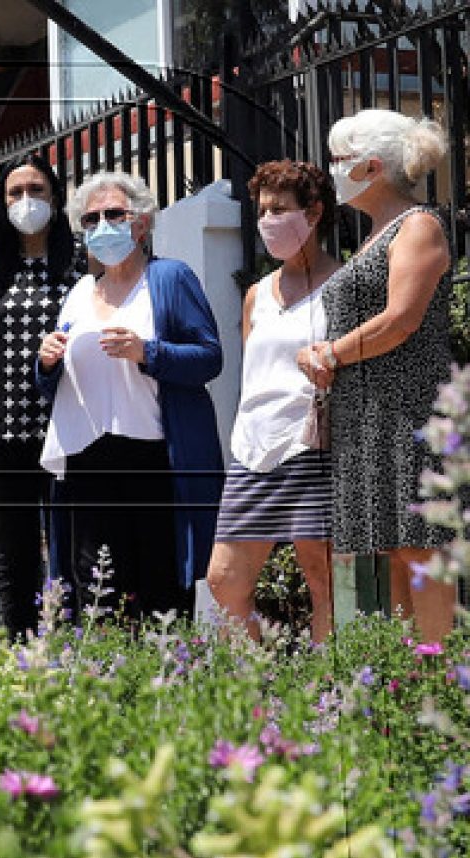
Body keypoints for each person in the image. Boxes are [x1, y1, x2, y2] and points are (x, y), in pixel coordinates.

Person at [36, 171, 224, 621]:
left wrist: (148, 351)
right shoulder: (80, 293)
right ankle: (107, 685)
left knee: (159, 587)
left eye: (113, 214)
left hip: (153, 456)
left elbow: (209, 358)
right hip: (87, 459)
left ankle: (166, 685)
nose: (102, 225)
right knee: (97, 590)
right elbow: (56, 381)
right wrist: (45, 363)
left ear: (140, 223)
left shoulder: (169, 278)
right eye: (91, 218)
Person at [297, 109, 454, 644]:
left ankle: (444, 690)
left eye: (340, 158)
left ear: (372, 167)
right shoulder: (374, 237)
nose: (332, 169)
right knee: (392, 550)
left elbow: (400, 319)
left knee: (421, 547)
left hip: (408, 413)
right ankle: (409, 690)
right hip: (367, 416)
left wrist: (330, 354)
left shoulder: (419, 225)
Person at [207, 160, 339, 643]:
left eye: (280, 209)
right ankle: (253, 703)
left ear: (315, 212)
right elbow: (252, 373)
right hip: (253, 450)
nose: (268, 220)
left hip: (312, 445)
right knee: (224, 581)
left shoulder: (341, 285)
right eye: (262, 210)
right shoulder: (257, 294)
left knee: (323, 581)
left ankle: (334, 703)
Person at [0, 155, 79, 638]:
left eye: (36, 189)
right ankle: (17, 657)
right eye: (15, 193)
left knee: (72, 545)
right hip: (0, 422)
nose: (25, 200)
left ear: (55, 199)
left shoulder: (80, 262)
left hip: (67, 422)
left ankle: (78, 654)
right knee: (12, 551)